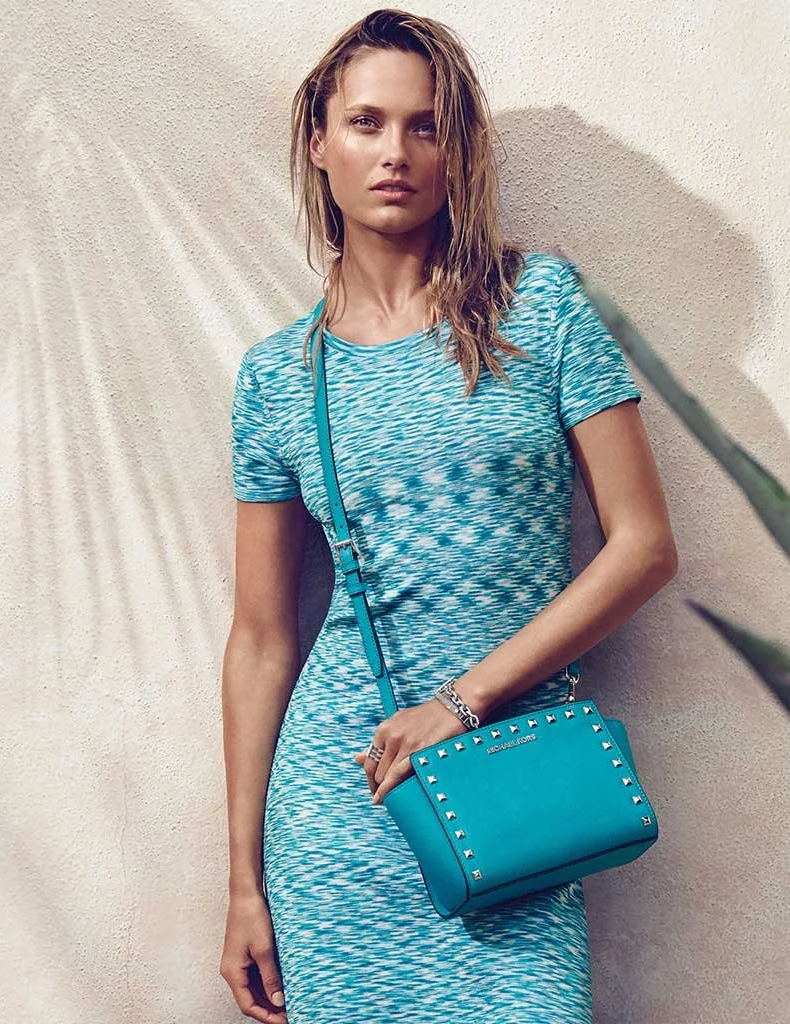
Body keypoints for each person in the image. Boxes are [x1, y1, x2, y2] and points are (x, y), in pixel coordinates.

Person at [217, 9, 678, 1023]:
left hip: (515, 794)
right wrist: (246, 883)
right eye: (367, 123)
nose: (395, 152)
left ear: (457, 150)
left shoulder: (541, 308)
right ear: (319, 143)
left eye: (425, 127)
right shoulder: (279, 379)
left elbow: (643, 548)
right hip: (344, 812)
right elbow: (260, 638)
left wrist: (462, 701)